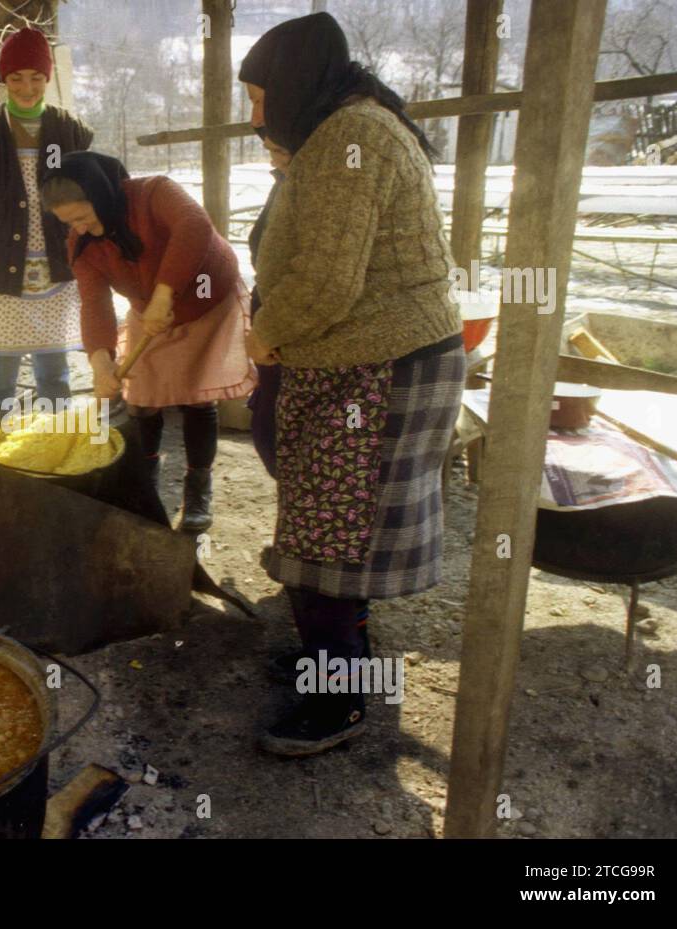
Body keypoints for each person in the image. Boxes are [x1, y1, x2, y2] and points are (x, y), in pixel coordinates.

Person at [240, 12, 466, 756]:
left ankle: (337, 703)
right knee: (332, 534)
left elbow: (328, 279)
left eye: (257, 96)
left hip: (383, 369)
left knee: (330, 539)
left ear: (294, 84)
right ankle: (330, 663)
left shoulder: (351, 137)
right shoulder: (340, 131)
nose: (253, 115)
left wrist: (268, 334)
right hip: (361, 362)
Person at [40, 152, 256, 532]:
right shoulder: (83, 245)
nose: (79, 228)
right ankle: (146, 481)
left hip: (206, 299)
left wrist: (164, 294)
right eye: (68, 222)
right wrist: (100, 360)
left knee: (196, 394)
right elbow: (94, 302)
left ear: (100, 193)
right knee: (141, 398)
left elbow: (195, 226)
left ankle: (198, 489)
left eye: (82, 216)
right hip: (150, 309)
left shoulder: (153, 193)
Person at [0, 27, 93, 424]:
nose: (27, 87)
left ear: (47, 78)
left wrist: (91, 262)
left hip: (57, 274)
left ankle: (55, 454)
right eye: (16, 77)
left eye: (36, 77)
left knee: (55, 377)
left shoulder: (70, 131)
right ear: (4, 78)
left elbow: (89, 201)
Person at [246, 139, 290, 479]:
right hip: (273, 328)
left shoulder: (325, 187)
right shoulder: (283, 184)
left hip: (292, 331)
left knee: (284, 438)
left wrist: (272, 329)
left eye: (279, 151)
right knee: (268, 430)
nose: (273, 159)